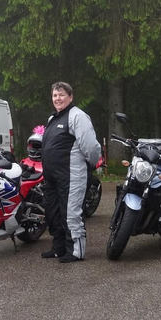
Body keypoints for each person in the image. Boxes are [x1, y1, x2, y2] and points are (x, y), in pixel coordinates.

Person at [40, 82, 101, 263]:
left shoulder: (77, 116)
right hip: (52, 177)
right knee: (53, 213)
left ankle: (75, 251)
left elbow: (91, 146)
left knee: (71, 213)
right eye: (54, 95)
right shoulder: (53, 118)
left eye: (61, 95)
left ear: (70, 97)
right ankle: (59, 248)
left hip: (72, 175)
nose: (57, 98)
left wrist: (91, 164)